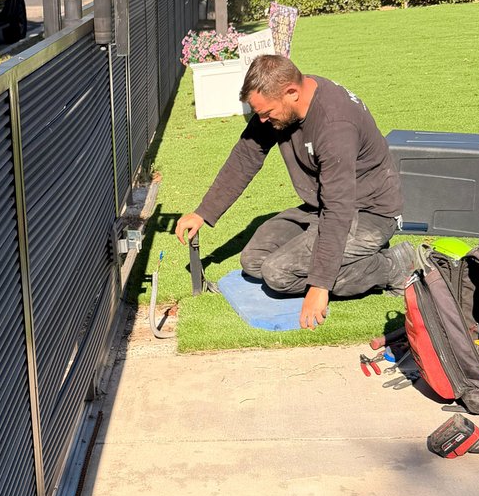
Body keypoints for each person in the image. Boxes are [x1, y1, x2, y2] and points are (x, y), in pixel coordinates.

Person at [175, 54, 414, 330]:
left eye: (267, 113)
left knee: (278, 274)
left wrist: (320, 284)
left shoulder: (335, 125)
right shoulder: (283, 100)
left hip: (368, 214)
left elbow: (339, 210)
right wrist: (203, 213)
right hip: (321, 207)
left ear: (292, 93)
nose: (262, 120)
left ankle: (392, 267)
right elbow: (245, 157)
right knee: (253, 260)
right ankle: (351, 256)